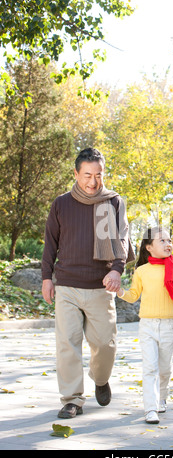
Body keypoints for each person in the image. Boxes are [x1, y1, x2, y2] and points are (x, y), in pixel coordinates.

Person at [41, 147, 134, 419]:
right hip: (67, 284)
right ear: (76, 174)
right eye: (87, 175)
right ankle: (72, 399)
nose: (93, 182)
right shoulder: (61, 204)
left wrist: (116, 270)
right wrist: (47, 277)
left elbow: (123, 240)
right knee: (67, 344)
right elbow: (51, 243)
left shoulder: (113, 202)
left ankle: (100, 378)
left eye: (98, 175)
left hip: (100, 287)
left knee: (105, 344)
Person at [115, 226, 173, 424]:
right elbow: (133, 296)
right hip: (148, 326)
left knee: (164, 368)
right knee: (150, 367)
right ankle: (150, 408)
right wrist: (120, 292)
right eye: (162, 241)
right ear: (149, 247)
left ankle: (162, 398)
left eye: (169, 241)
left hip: (169, 325)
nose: (168, 244)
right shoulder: (141, 271)